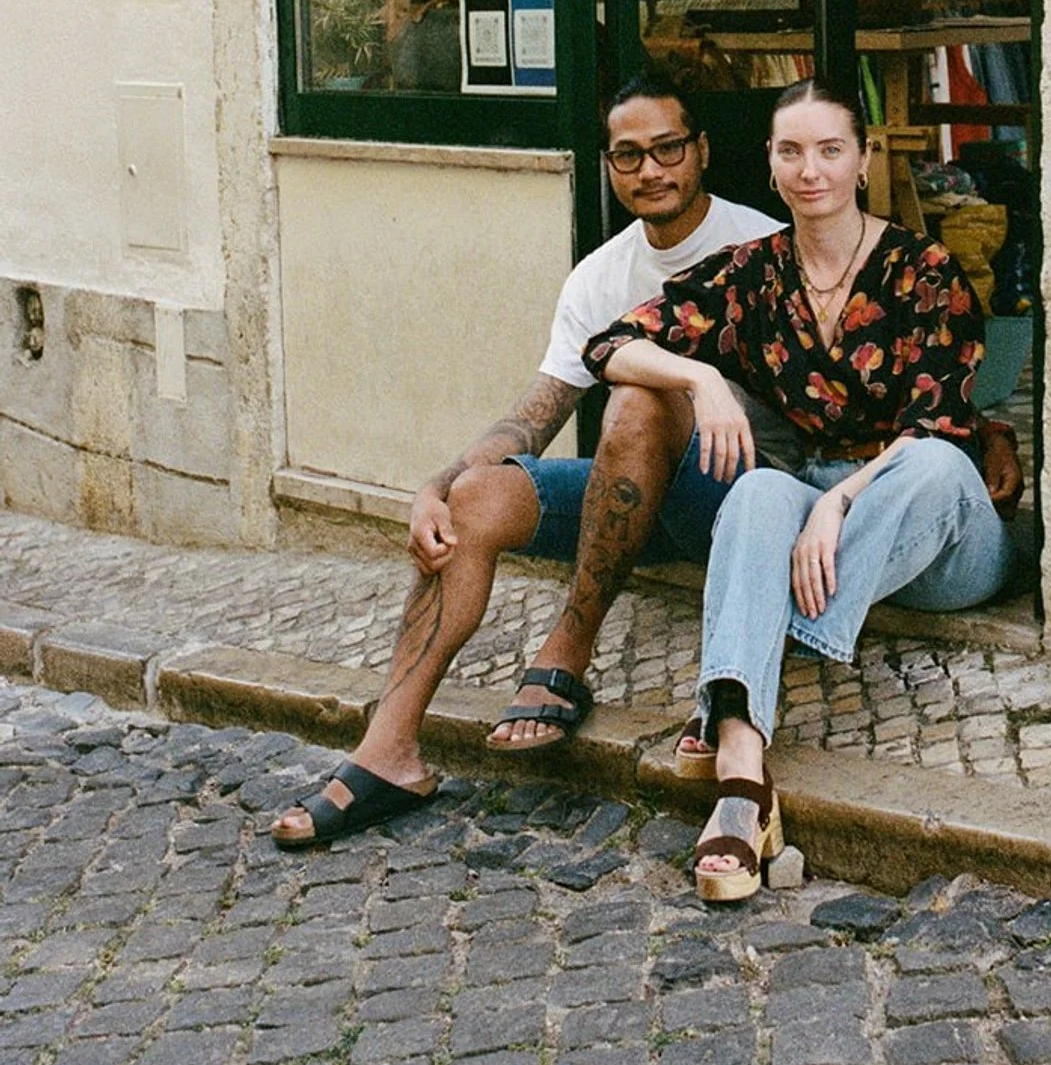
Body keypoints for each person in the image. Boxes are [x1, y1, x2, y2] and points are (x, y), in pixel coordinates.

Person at [270, 70, 780, 847]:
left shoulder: (760, 246)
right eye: (628, 155)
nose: (650, 171)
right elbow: (535, 415)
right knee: (476, 498)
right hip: (635, 496)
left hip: (736, 501)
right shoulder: (599, 276)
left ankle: (566, 650)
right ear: (610, 166)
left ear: (702, 150)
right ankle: (390, 751)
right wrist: (439, 485)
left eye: (668, 148)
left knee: (641, 397)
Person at [582, 77, 1020, 903]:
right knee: (755, 498)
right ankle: (742, 780)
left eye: (829, 149)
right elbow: (611, 344)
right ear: (771, 165)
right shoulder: (752, 276)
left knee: (925, 467)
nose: (810, 169)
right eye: (791, 151)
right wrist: (699, 378)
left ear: (862, 160)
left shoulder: (925, 270)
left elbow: (942, 426)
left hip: (935, 527)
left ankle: (743, 659)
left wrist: (839, 500)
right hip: (815, 509)